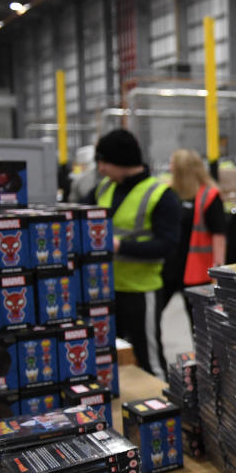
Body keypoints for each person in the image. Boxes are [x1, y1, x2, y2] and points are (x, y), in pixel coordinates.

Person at [86, 128, 181, 380]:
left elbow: (168, 245)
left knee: (149, 357)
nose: (101, 168)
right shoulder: (102, 189)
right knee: (110, 356)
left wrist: (119, 247)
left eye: (104, 161)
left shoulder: (160, 195)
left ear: (122, 161)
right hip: (106, 290)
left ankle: (163, 409)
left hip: (142, 290)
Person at [161, 148, 227, 329]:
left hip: (199, 270)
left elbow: (219, 233)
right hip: (171, 267)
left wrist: (218, 268)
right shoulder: (169, 193)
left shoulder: (209, 196)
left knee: (199, 324)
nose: (169, 168)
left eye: (173, 165)